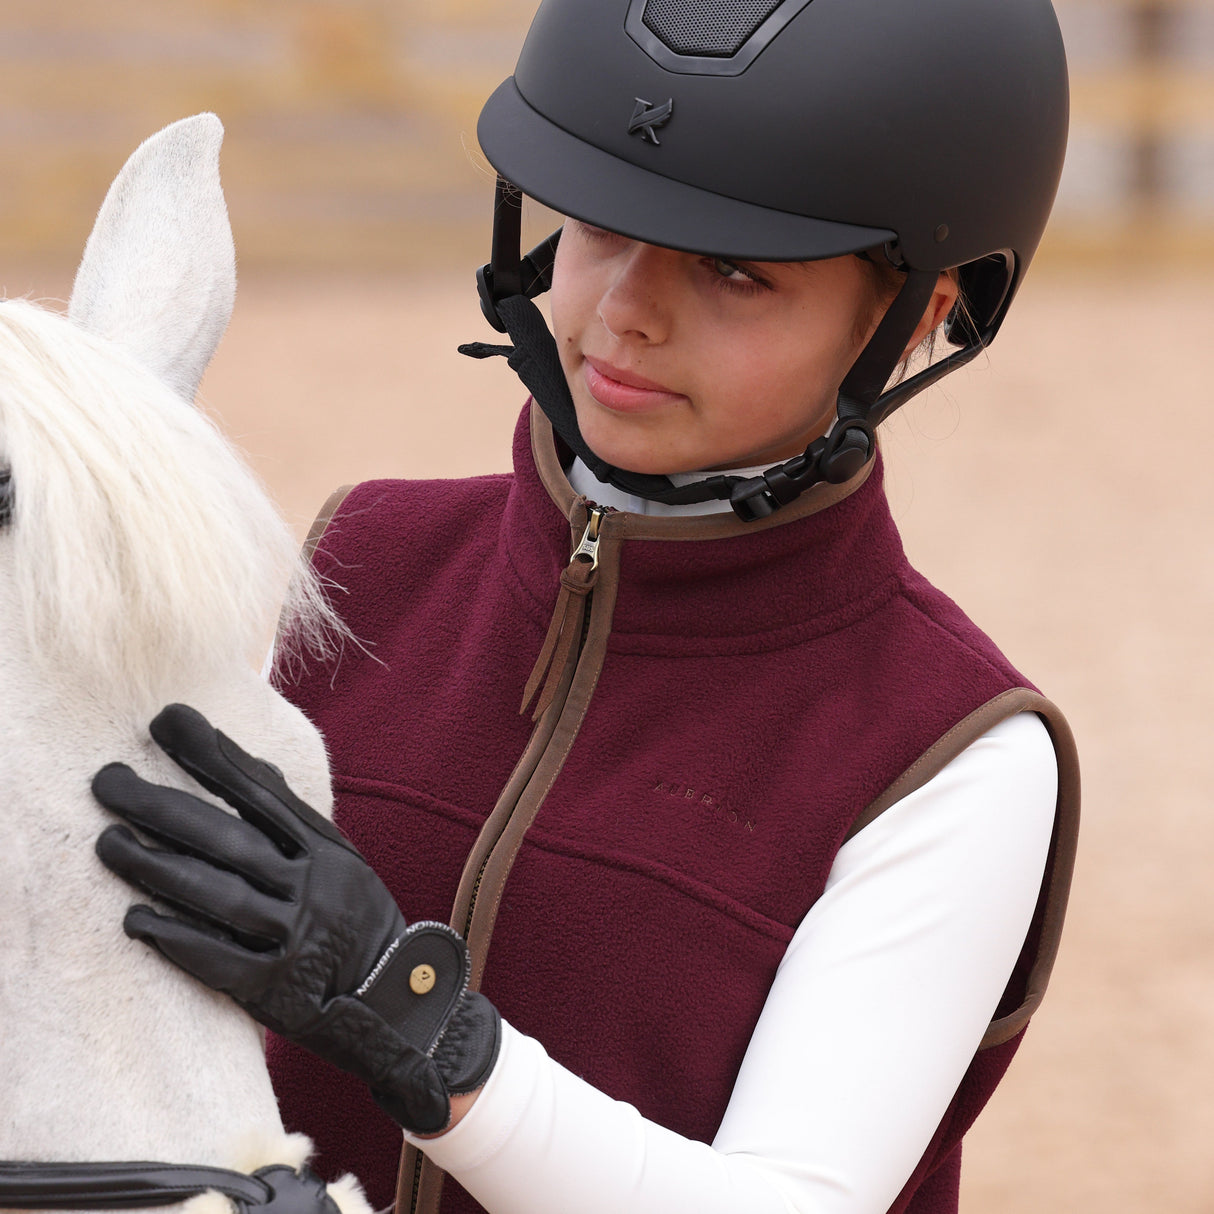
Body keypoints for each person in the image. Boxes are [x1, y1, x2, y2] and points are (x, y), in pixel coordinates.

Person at [93, 1, 1081, 1212]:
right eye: (602, 223)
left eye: (732, 271)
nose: (625, 308)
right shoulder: (362, 556)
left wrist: (423, 1030)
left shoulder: (952, 750)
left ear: (918, 315)